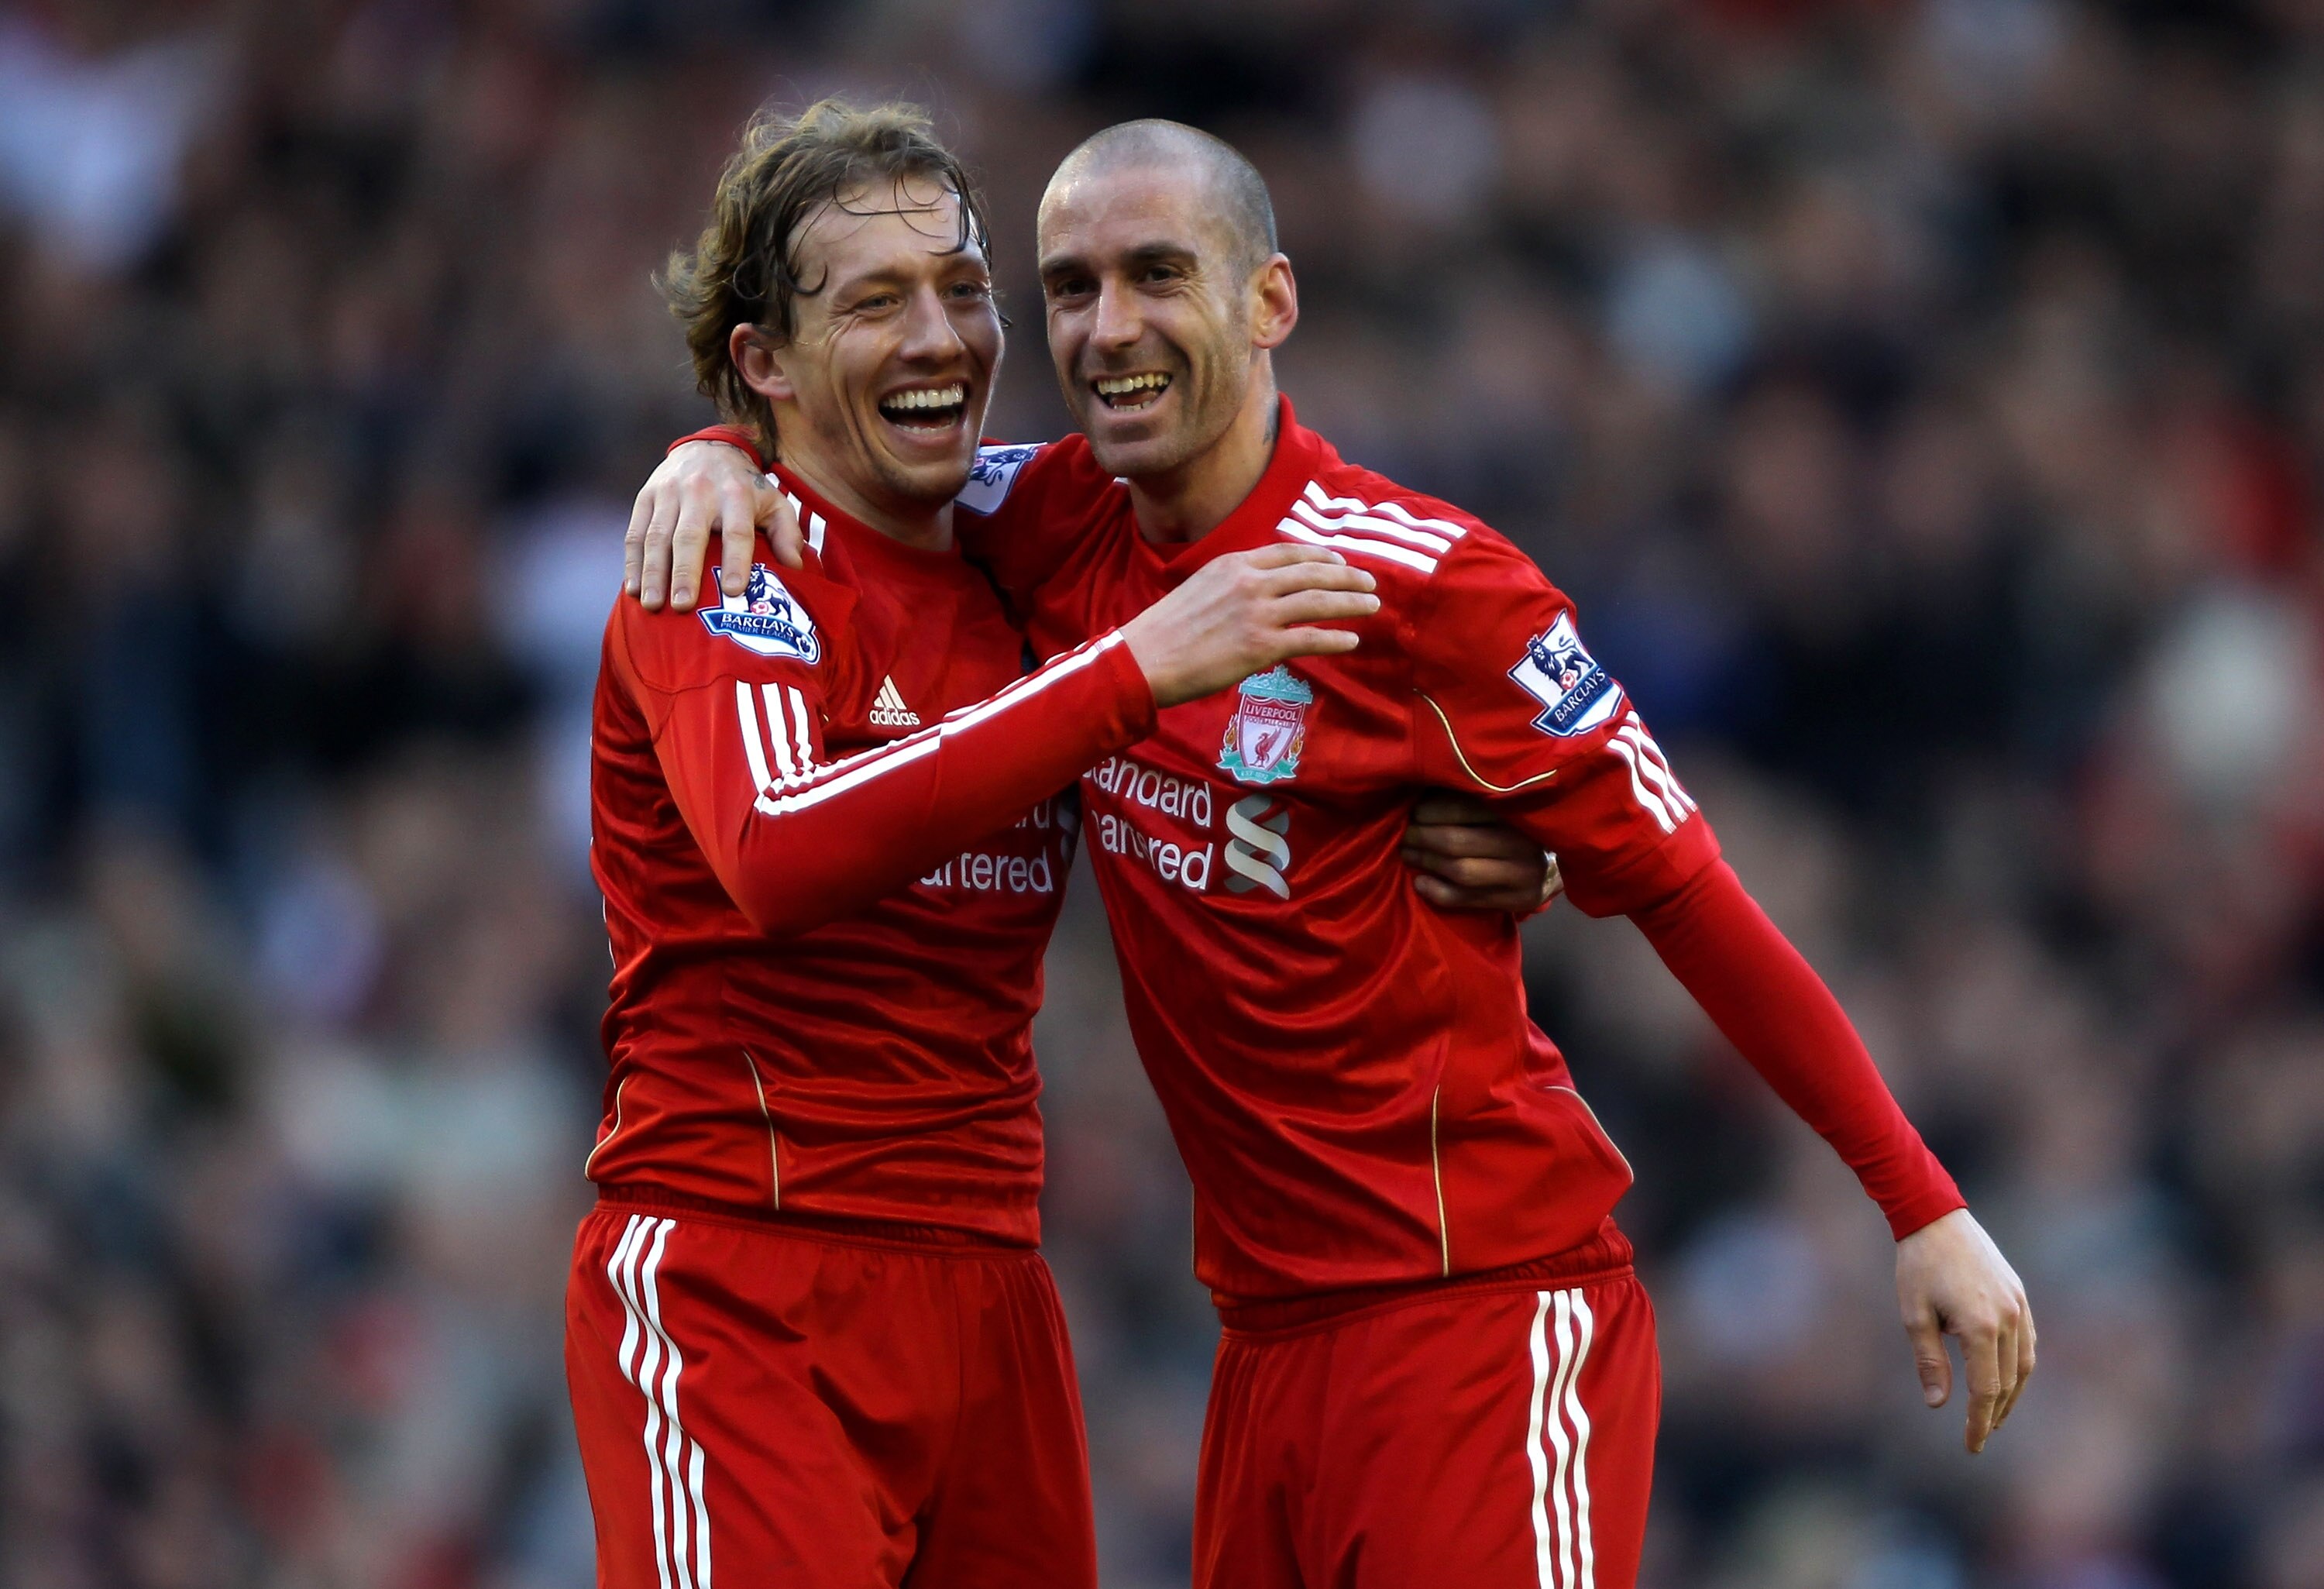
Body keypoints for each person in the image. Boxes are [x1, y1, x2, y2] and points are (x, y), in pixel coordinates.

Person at [637, 117, 2035, 1589]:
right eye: (1070, 288)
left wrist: (1920, 1203)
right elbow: (849, 454)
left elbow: (1688, 892)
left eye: (1158, 273)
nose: (1110, 327)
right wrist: (713, 453)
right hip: (1265, 1356)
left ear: (1270, 301)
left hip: (1479, 1319)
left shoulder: (1426, 589)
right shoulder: (1048, 521)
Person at [573, 102, 1554, 1589]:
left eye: (963, 290)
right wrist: (710, 452)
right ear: (766, 360)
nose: (940, 339)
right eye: (874, 303)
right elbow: (774, 853)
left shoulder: (1025, 552)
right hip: (743, 1276)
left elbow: (1268, 605)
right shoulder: (724, 562)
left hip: (992, 1296)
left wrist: (1498, 830)